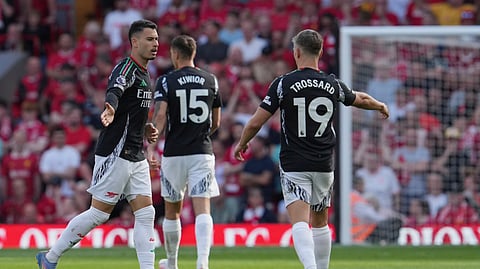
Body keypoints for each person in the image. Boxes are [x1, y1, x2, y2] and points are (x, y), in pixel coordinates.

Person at [233, 29, 389, 269]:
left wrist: (243, 142)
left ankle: (310, 267)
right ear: (321, 52)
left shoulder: (283, 83)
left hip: (295, 162)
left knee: (299, 221)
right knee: (320, 221)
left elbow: (256, 121)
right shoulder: (331, 83)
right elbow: (360, 99)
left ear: (296, 52)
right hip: (323, 163)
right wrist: (380, 106)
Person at [35, 19, 159, 269]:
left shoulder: (145, 73)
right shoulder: (126, 68)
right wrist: (110, 108)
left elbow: (132, 109)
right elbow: (115, 91)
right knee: (99, 214)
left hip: (136, 154)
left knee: (146, 213)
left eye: (156, 39)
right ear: (134, 42)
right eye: (149, 39)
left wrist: (144, 127)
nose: (155, 44)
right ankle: (50, 257)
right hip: (116, 153)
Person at [146, 34, 222, 269]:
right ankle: (202, 262)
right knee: (203, 208)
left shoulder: (167, 81)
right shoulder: (211, 80)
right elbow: (216, 122)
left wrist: (151, 146)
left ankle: (173, 262)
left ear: (175, 54)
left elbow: (159, 117)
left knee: (172, 210)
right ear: (194, 54)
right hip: (201, 151)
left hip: (174, 153)